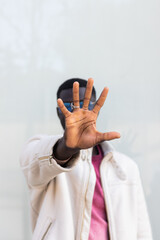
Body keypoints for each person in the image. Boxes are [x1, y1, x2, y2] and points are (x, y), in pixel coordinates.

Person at [20, 78, 152, 240]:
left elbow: (142, 230)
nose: (77, 112)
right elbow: (35, 159)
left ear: (98, 108)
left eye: (86, 104)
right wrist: (67, 147)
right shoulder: (43, 151)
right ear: (58, 112)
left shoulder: (126, 167)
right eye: (68, 106)